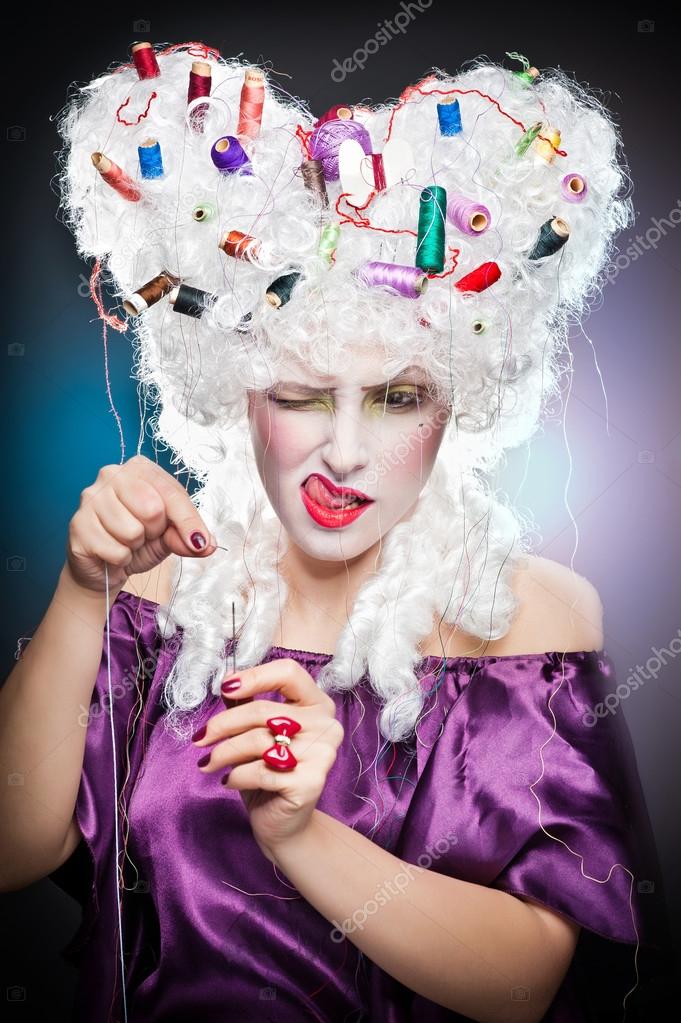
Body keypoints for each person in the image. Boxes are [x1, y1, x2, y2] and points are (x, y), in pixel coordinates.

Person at [0, 41, 671, 1023]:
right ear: (237, 394)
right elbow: (16, 849)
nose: (346, 451)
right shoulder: (156, 589)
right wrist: (79, 585)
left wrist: (301, 834)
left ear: (460, 400)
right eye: (304, 397)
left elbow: (528, 981)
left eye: (399, 398)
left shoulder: (528, 621)